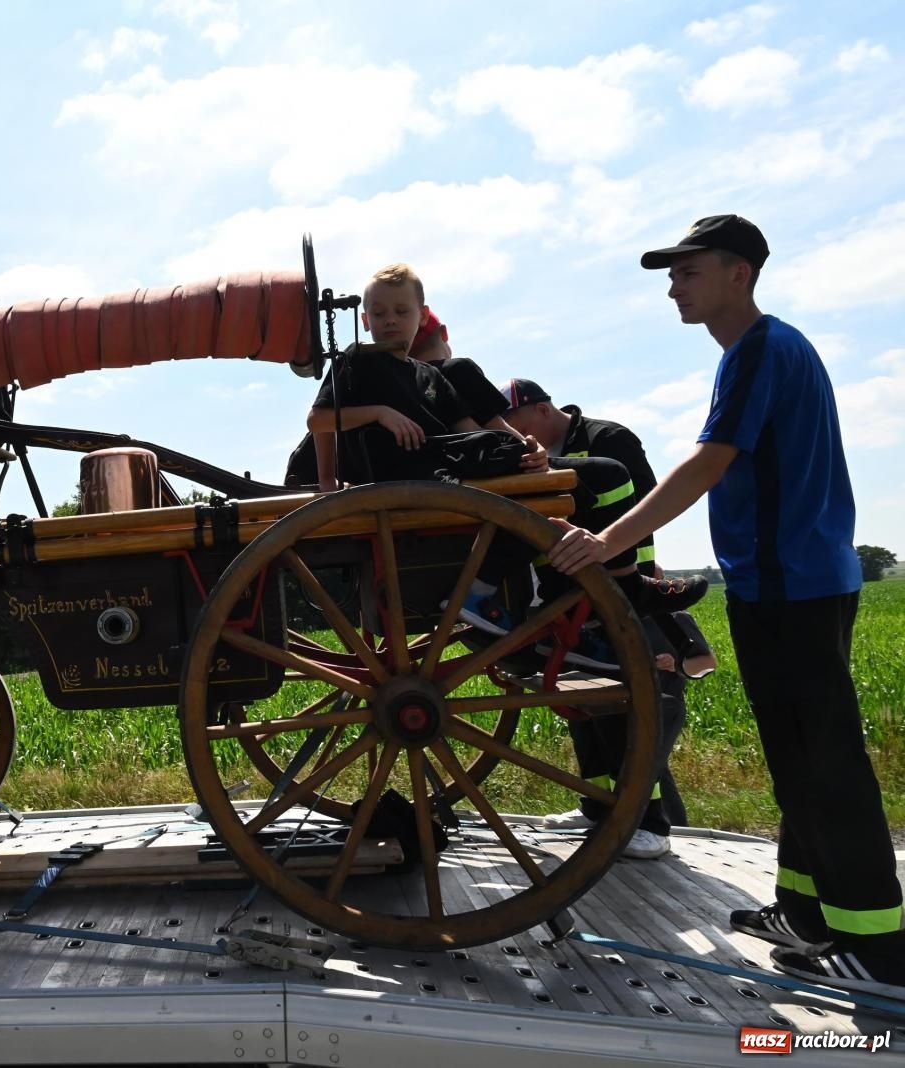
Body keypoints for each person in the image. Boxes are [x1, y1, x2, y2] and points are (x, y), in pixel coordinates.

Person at [548, 214, 904, 998]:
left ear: (737, 272)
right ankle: (807, 913)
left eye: (687, 270)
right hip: (792, 579)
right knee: (796, 754)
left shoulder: (759, 352)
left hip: (792, 584)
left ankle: (879, 947)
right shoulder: (768, 350)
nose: (674, 286)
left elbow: (710, 460)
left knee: (826, 759)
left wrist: (608, 540)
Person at [299, 264, 705, 629]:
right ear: (365, 319)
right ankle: (597, 589)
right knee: (602, 476)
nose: (390, 321)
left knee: (608, 474)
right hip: (423, 480)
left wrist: (527, 447)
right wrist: (362, 437)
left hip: (451, 469)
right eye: (381, 313)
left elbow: (471, 430)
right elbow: (319, 420)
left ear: (421, 316)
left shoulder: (430, 376)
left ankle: (608, 584)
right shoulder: (356, 361)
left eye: (401, 312)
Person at [500, 381, 716, 851]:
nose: (512, 436)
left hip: (625, 586)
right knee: (583, 703)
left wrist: (632, 582)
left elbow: (643, 512)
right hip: (576, 587)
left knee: (630, 707)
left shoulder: (608, 441)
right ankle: (597, 806)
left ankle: (648, 823)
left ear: (542, 409)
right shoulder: (544, 448)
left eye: (515, 425)